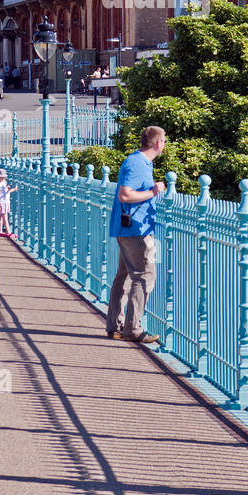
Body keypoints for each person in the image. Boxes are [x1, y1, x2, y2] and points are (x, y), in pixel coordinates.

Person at [106, 126, 167, 344]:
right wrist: (153, 191)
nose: (165, 145)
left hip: (130, 229)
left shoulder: (139, 162)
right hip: (137, 231)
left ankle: (115, 326)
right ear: (158, 143)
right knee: (145, 276)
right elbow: (125, 194)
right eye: (165, 141)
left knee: (123, 277)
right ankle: (133, 328)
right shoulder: (138, 163)